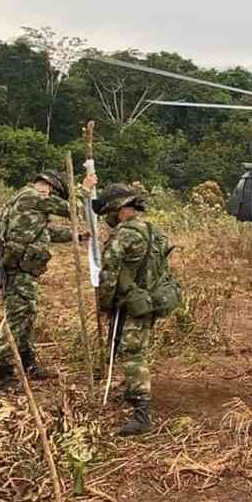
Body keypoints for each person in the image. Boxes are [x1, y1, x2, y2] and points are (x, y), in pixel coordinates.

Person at [0, 171, 81, 389]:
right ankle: (4, 373)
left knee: (27, 315)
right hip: (19, 270)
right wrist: (85, 189)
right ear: (50, 187)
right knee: (17, 317)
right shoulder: (33, 196)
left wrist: (76, 236)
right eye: (55, 194)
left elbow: (45, 231)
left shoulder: (25, 202)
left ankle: (27, 363)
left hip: (24, 271)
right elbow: (73, 210)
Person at [86, 180, 159, 436]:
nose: (106, 218)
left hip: (131, 303)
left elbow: (108, 276)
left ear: (118, 209)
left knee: (133, 354)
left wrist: (104, 304)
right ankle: (132, 393)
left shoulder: (123, 235)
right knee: (136, 349)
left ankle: (142, 415)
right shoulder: (150, 230)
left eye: (107, 213)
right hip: (148, 300)